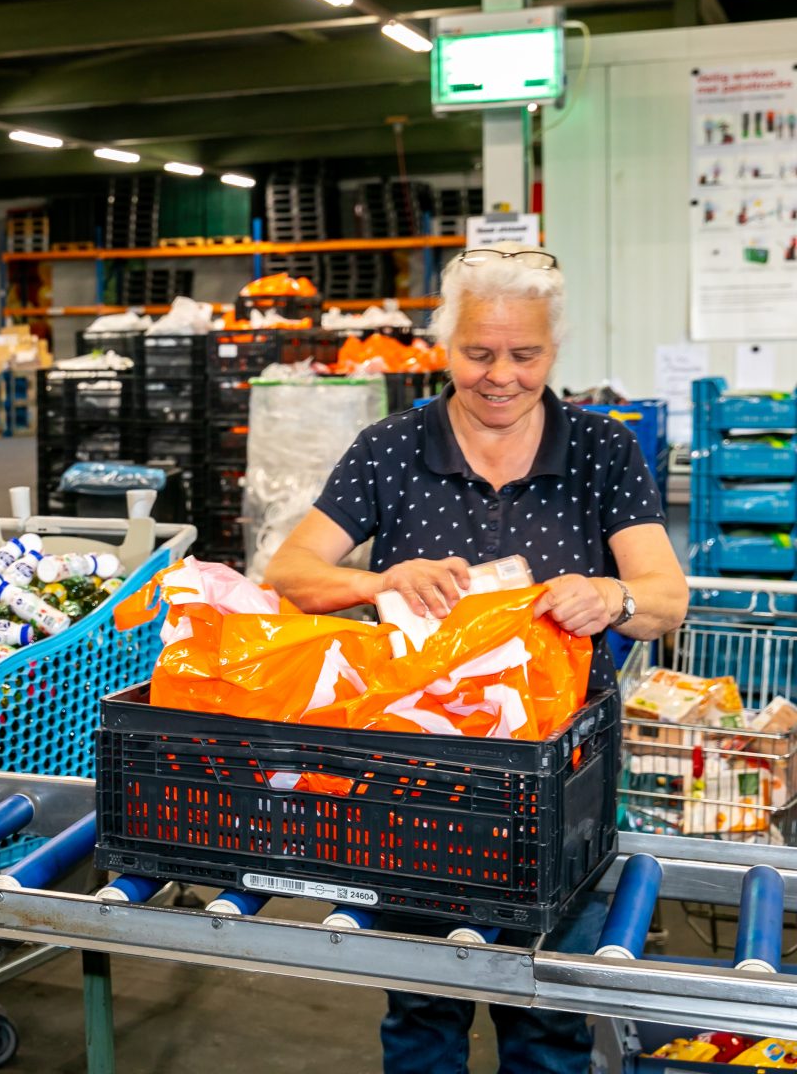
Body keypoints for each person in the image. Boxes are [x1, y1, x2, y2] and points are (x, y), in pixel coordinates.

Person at [267, 243, 688, 1074]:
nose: (501, 375)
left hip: (561, 776)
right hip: (423, 776)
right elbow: (289, 573)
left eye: (524, 355)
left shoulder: (602, 452)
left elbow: (666, 594)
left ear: (554, 351)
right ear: (444, 346)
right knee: (422, 1007)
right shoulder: (393, 447)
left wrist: (613, 597)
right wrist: (379, 579)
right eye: (478, 352)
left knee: (550, 1016)